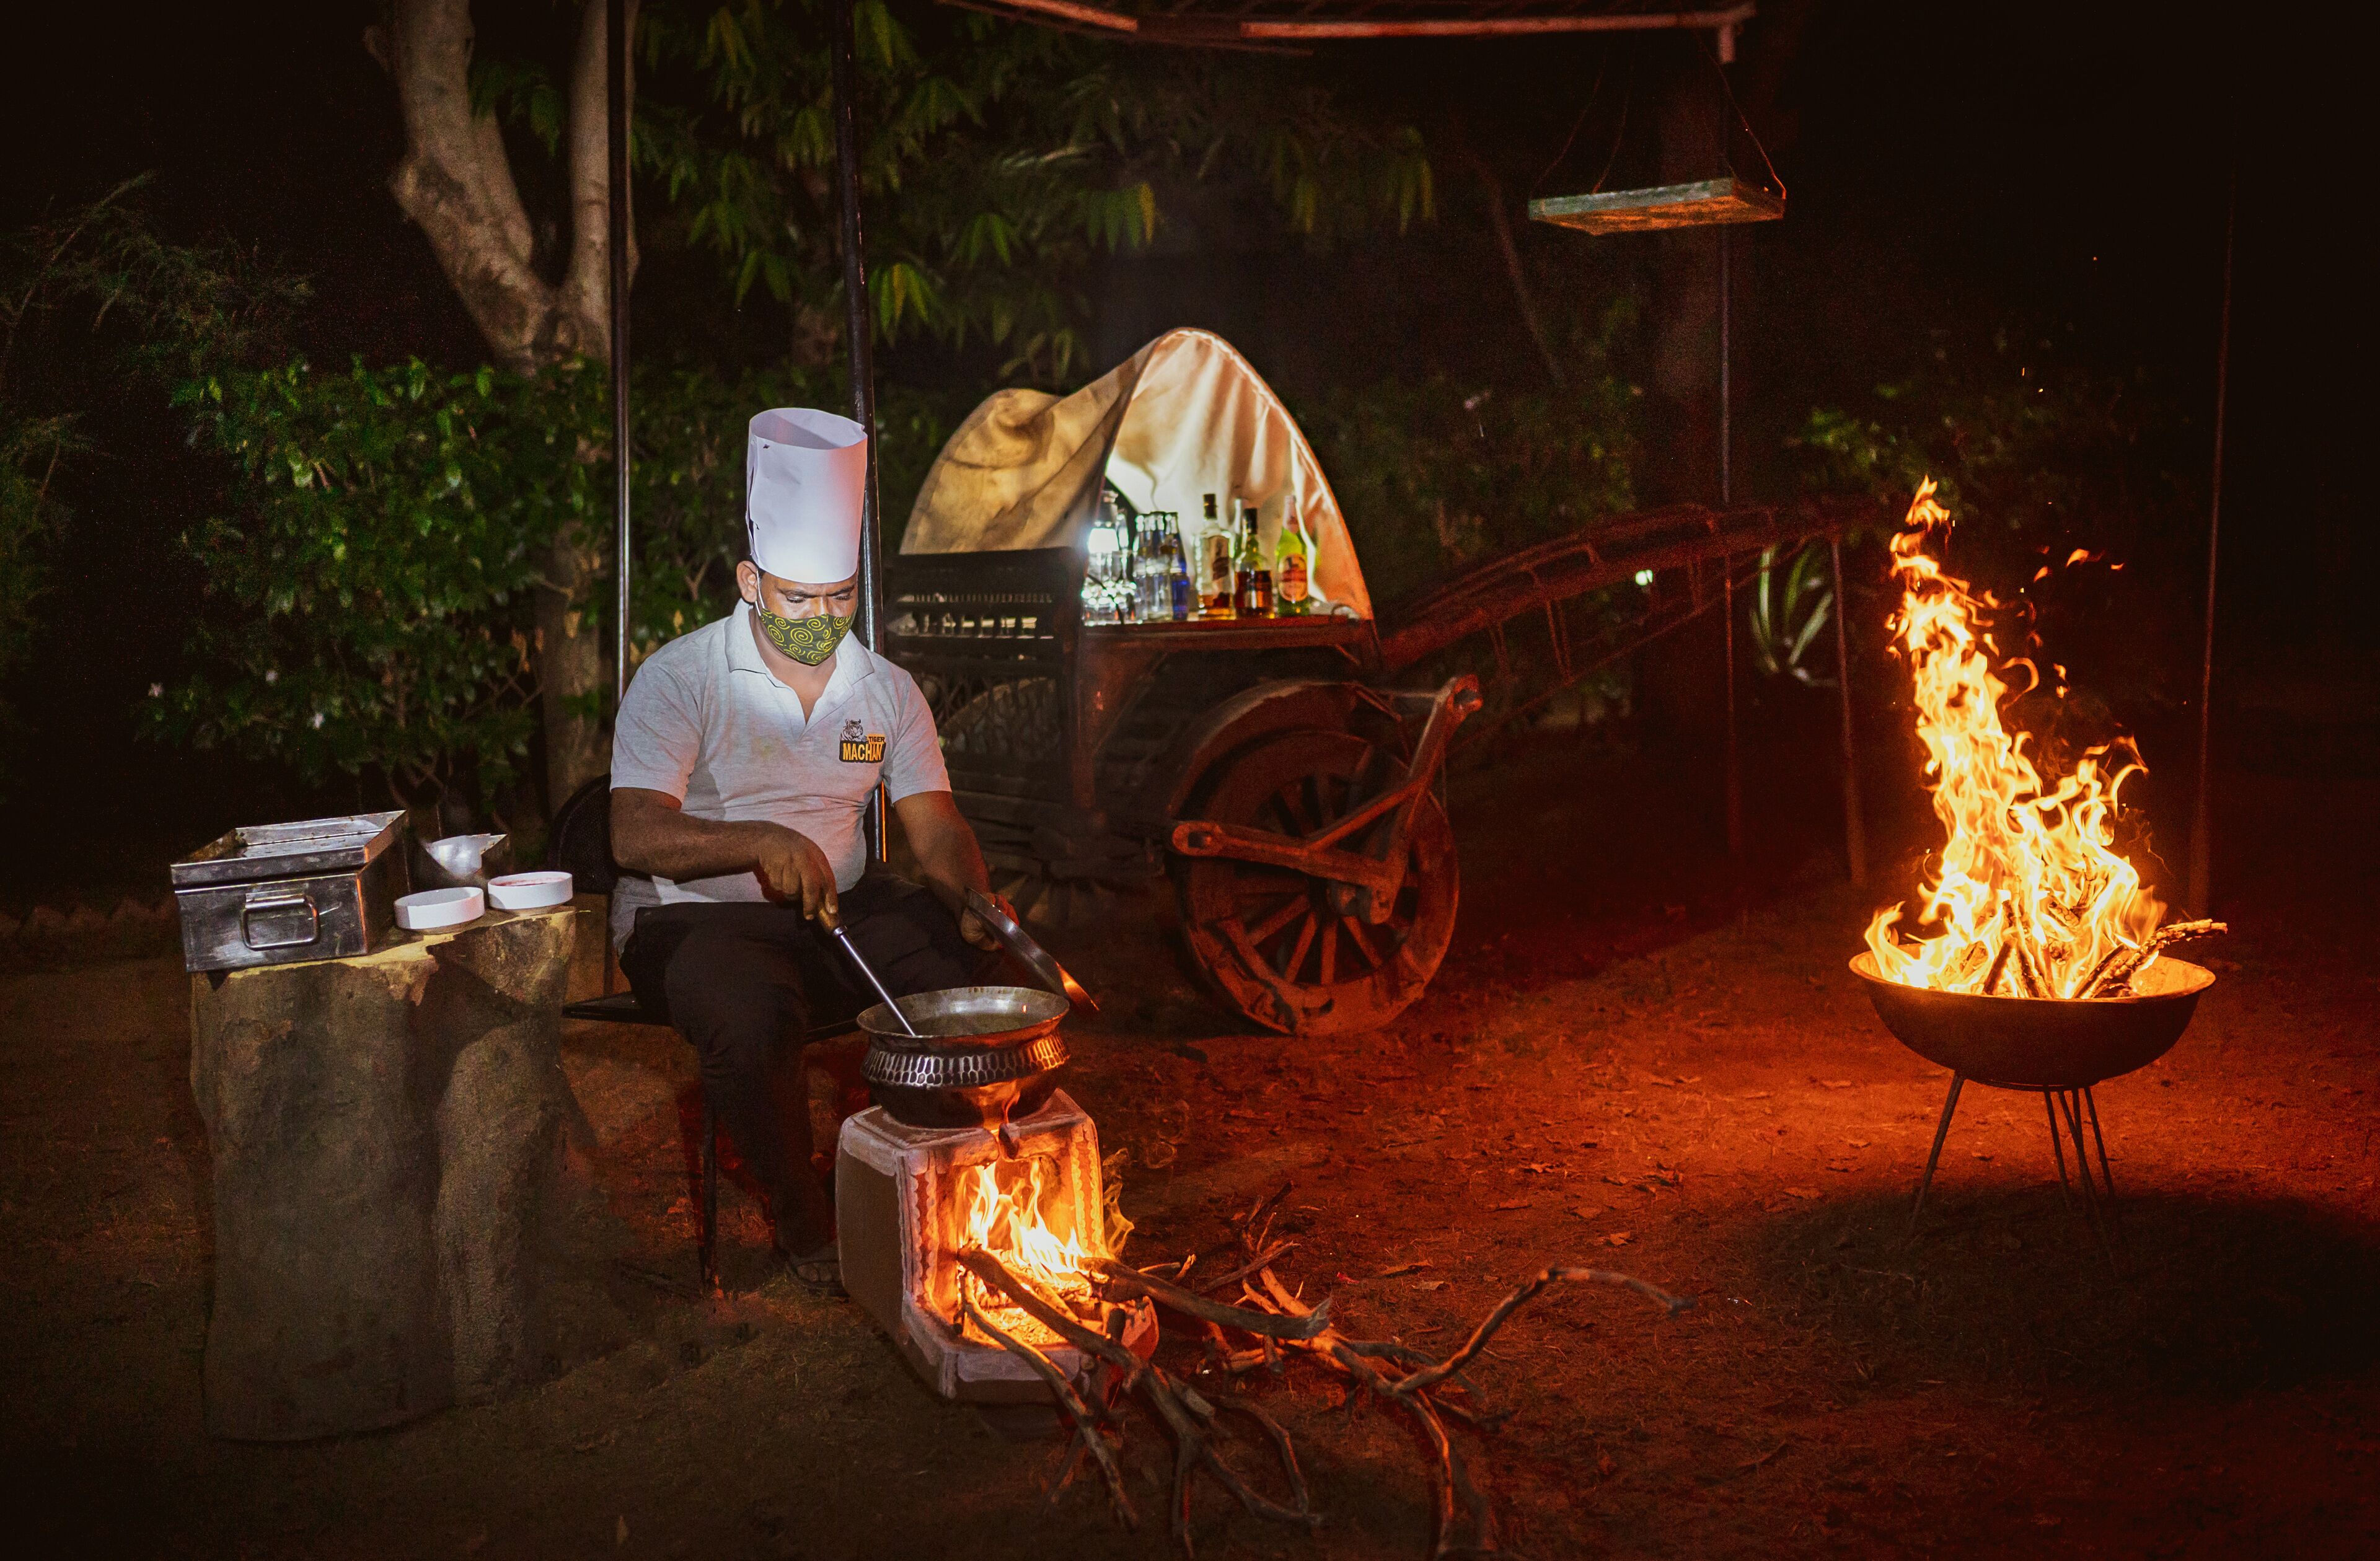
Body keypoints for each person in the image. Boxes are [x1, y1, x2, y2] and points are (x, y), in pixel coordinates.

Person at [608, 406, 1010, 1291]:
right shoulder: (681, 677)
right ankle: (801, 1216)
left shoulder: (885, 692)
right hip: (695, 920)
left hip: (836, 911)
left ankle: (926, 1174)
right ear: (752, 583)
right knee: (752, 1024)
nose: (821, 619)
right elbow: (633, 832)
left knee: (970, 987)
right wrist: (757, 840)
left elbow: (935, 826)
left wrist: (970, 897)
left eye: (838, 597)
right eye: (798, 598)